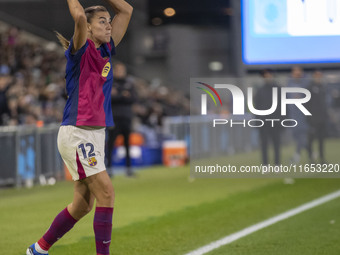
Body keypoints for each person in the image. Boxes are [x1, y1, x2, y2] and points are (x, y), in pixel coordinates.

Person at [26, 1, 132, 255]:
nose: (108, 26)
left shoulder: (106, 50)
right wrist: (81, 18)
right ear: (88, 27)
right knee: (106, 192)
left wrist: (111, 16)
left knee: (83, 205)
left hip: (94, 133)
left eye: (108, 21)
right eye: (102, 21)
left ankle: (38, 250)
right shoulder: (81, 50)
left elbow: (126, 11)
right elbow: (77, 15)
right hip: (78, 131)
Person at [106, 62, 136, 176]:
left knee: (127, 143)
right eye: (118, 70)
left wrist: (118, 95)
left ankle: (128, 169)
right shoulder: (110, 82)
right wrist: (122, 95)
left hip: (127, 117)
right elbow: (109, 98)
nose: (121, 72)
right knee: (111, 144)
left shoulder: (129, 83)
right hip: (114, 117)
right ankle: (109, 168)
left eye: (122, 70)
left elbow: (133, 98)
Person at [254, 69, 282, 165]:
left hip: (275, 122)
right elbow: (257, 107)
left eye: (269, 75)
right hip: (264, 123)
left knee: (276, 145)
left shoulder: (278, 89)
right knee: (264, 146)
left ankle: (277, 164)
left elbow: (283, 106)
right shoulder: (260, 90)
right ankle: (265, 165)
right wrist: (257, 122)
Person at [306, 70, 329, 163]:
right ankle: (311, 159)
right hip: (312, 119)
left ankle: (322, 159)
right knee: (310, 140)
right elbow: (306, 104)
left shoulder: (323, 87)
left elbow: (324, 104)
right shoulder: (309, 88)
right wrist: (308, 117)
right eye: (317, 75)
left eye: (320, 75)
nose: (318, 77)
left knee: (321, 140)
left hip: (322, 119)